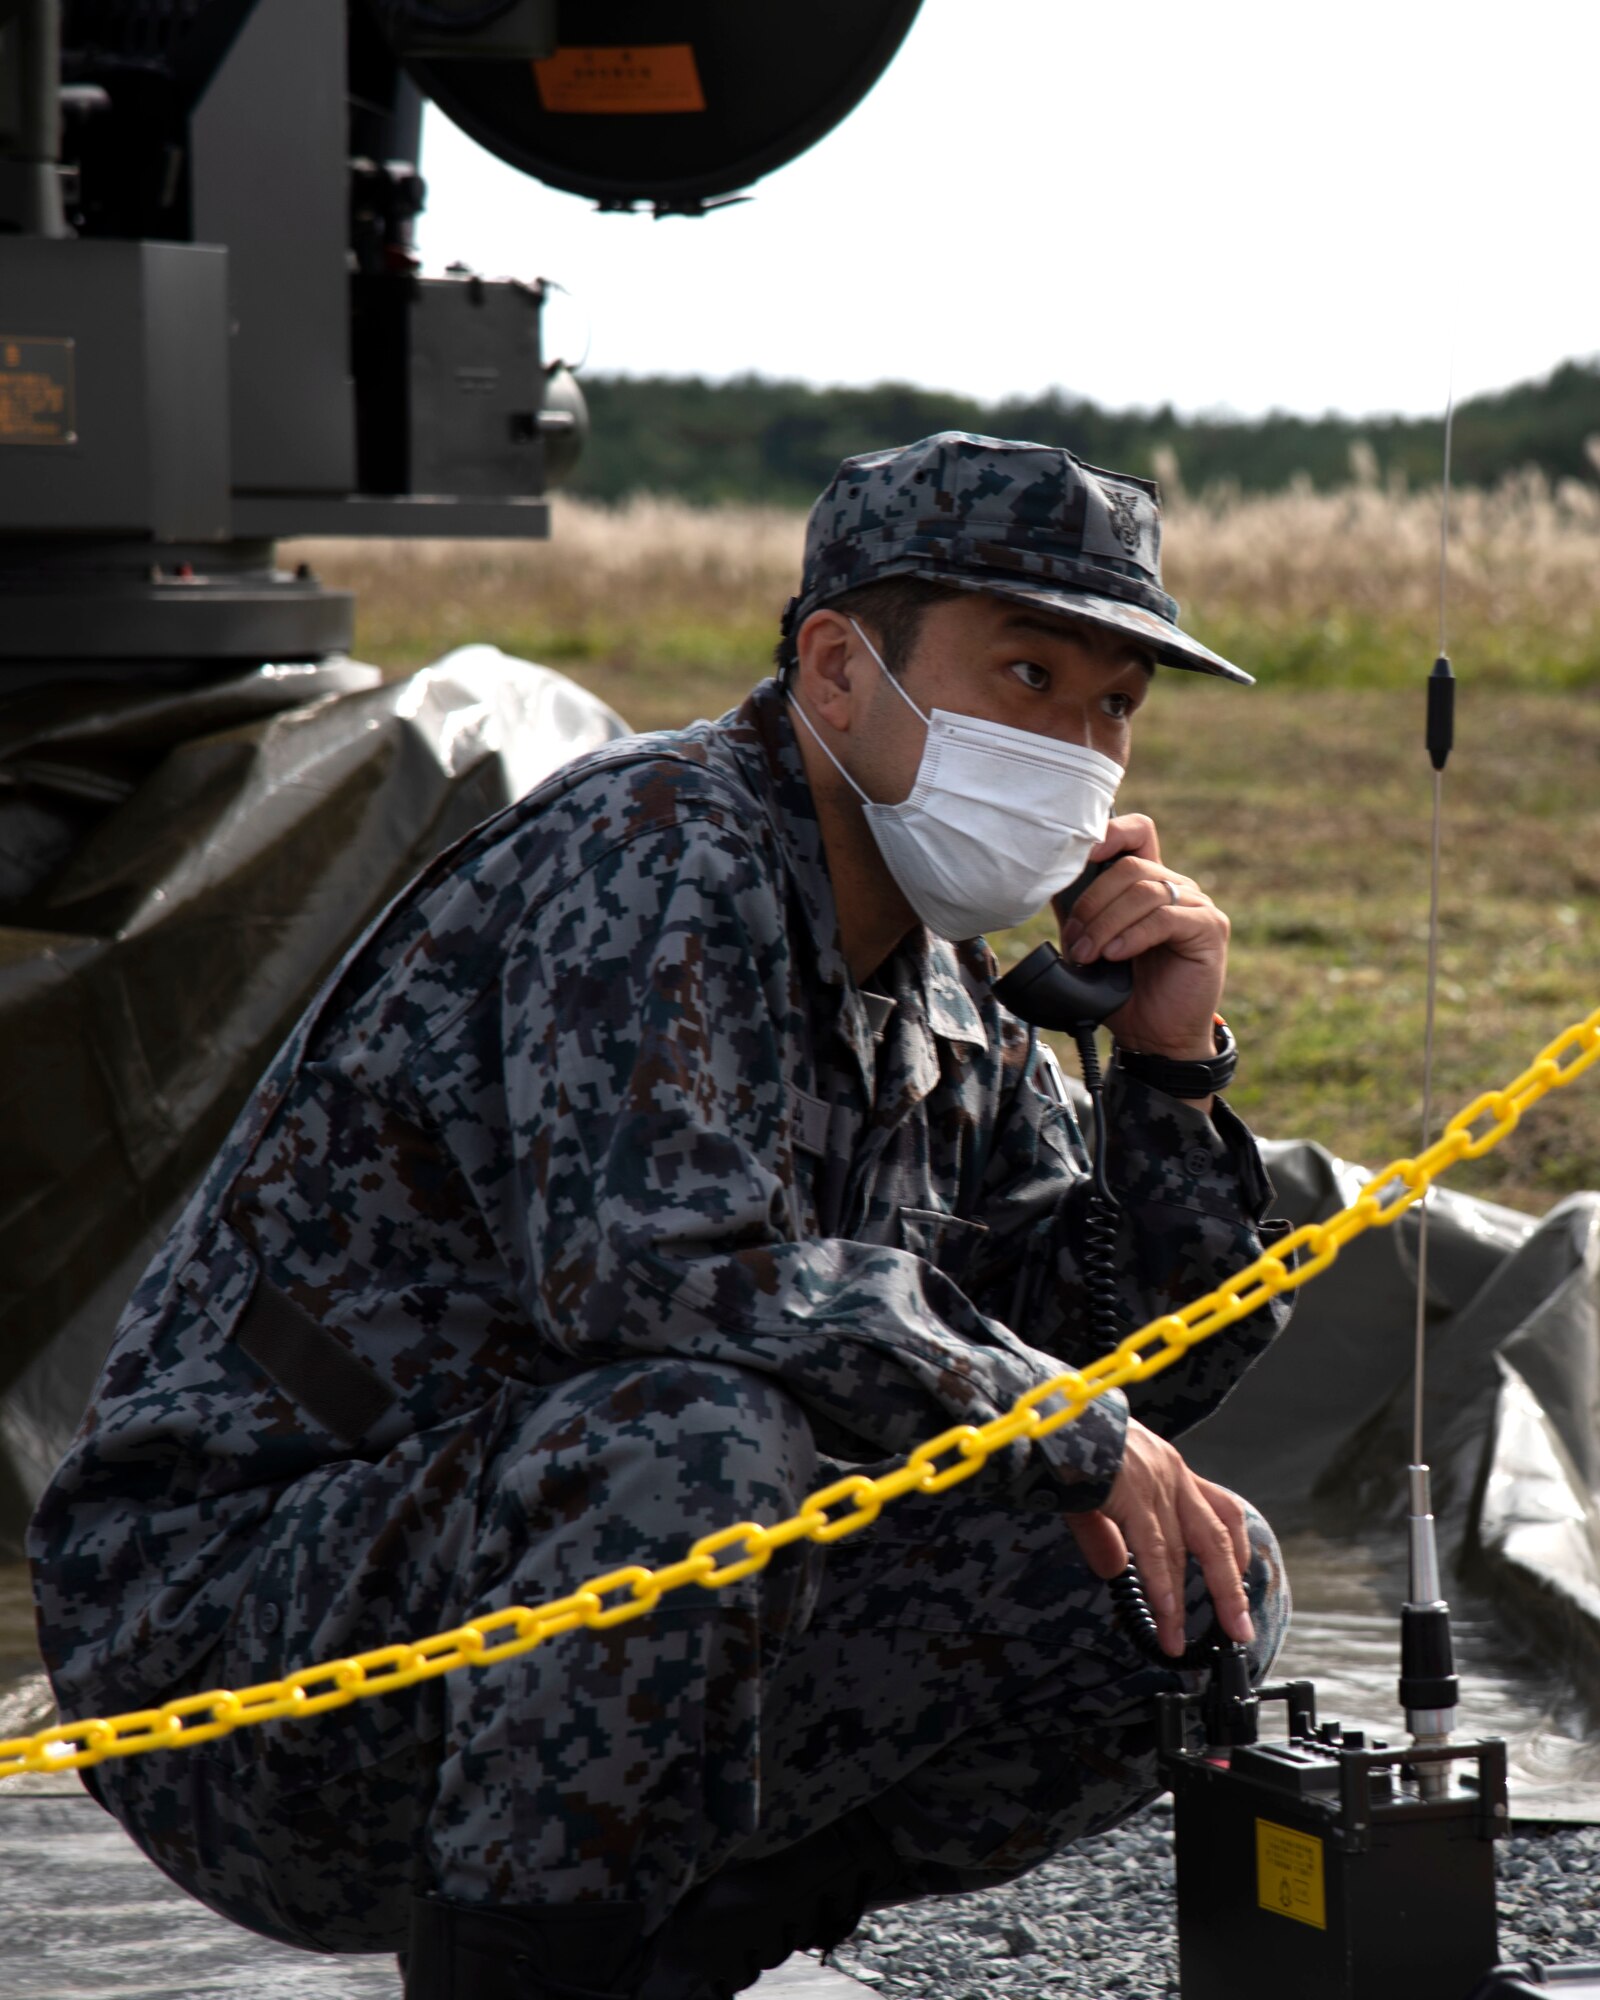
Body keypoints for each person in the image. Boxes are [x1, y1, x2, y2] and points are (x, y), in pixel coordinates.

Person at [29, 432, 1293, 2000]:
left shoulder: (951, 982)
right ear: (838, 671)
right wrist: (1051, 1414)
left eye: (1115, 704)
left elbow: (1131, 1386)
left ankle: (675, 1963)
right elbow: (657, 1272)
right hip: (243, 1644)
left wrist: (1167, 1073)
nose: (1079, 745)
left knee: (1188, 1576)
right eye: (1026, 676)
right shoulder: (659, 847)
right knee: (690, 1445)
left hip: (559, 1611)